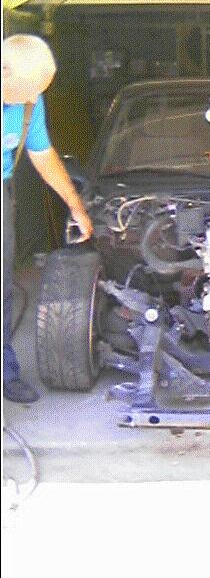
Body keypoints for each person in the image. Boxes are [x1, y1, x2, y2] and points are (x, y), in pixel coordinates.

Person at [3, 34, 93, 403]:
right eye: (28, 89)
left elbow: (42, 154)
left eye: (38, 91)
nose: (32, 98)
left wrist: (75, 204)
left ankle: (6, 373)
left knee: (2, 287)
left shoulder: (29, 103)